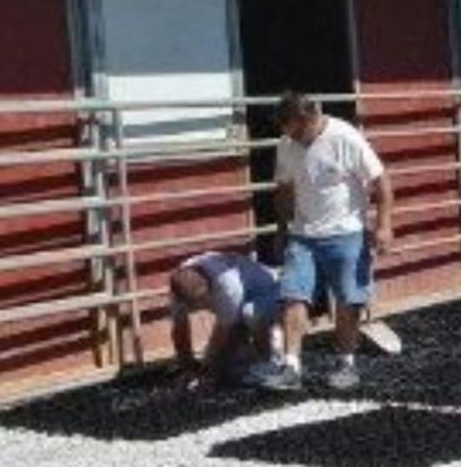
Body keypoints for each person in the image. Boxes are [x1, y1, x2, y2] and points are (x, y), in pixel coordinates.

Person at [256, 91, 394, 391]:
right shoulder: (287, 144)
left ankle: (346, 363)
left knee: (348, 300)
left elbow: (381, 181)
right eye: (285, 131)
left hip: (346, 234)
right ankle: (291, 367)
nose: (289, 136)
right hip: (303, 235)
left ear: (308, 119)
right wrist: (282, 229)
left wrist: (383, 226)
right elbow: (284, 189)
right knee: (292, 295)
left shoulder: (346, 138)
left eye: (293, 129)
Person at [168, 251, 281, 391]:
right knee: (224, 368)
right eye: (196, 304)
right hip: (237, 305)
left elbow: (224, 333)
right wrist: (188, 366)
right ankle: (248, 356)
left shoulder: (228, 285)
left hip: (270, 291)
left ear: (209, 284)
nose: (202, 305)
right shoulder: (179, 286)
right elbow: (180, 331)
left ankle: (270, 360)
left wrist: (208, 371)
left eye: (203, 300)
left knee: (250, 315)